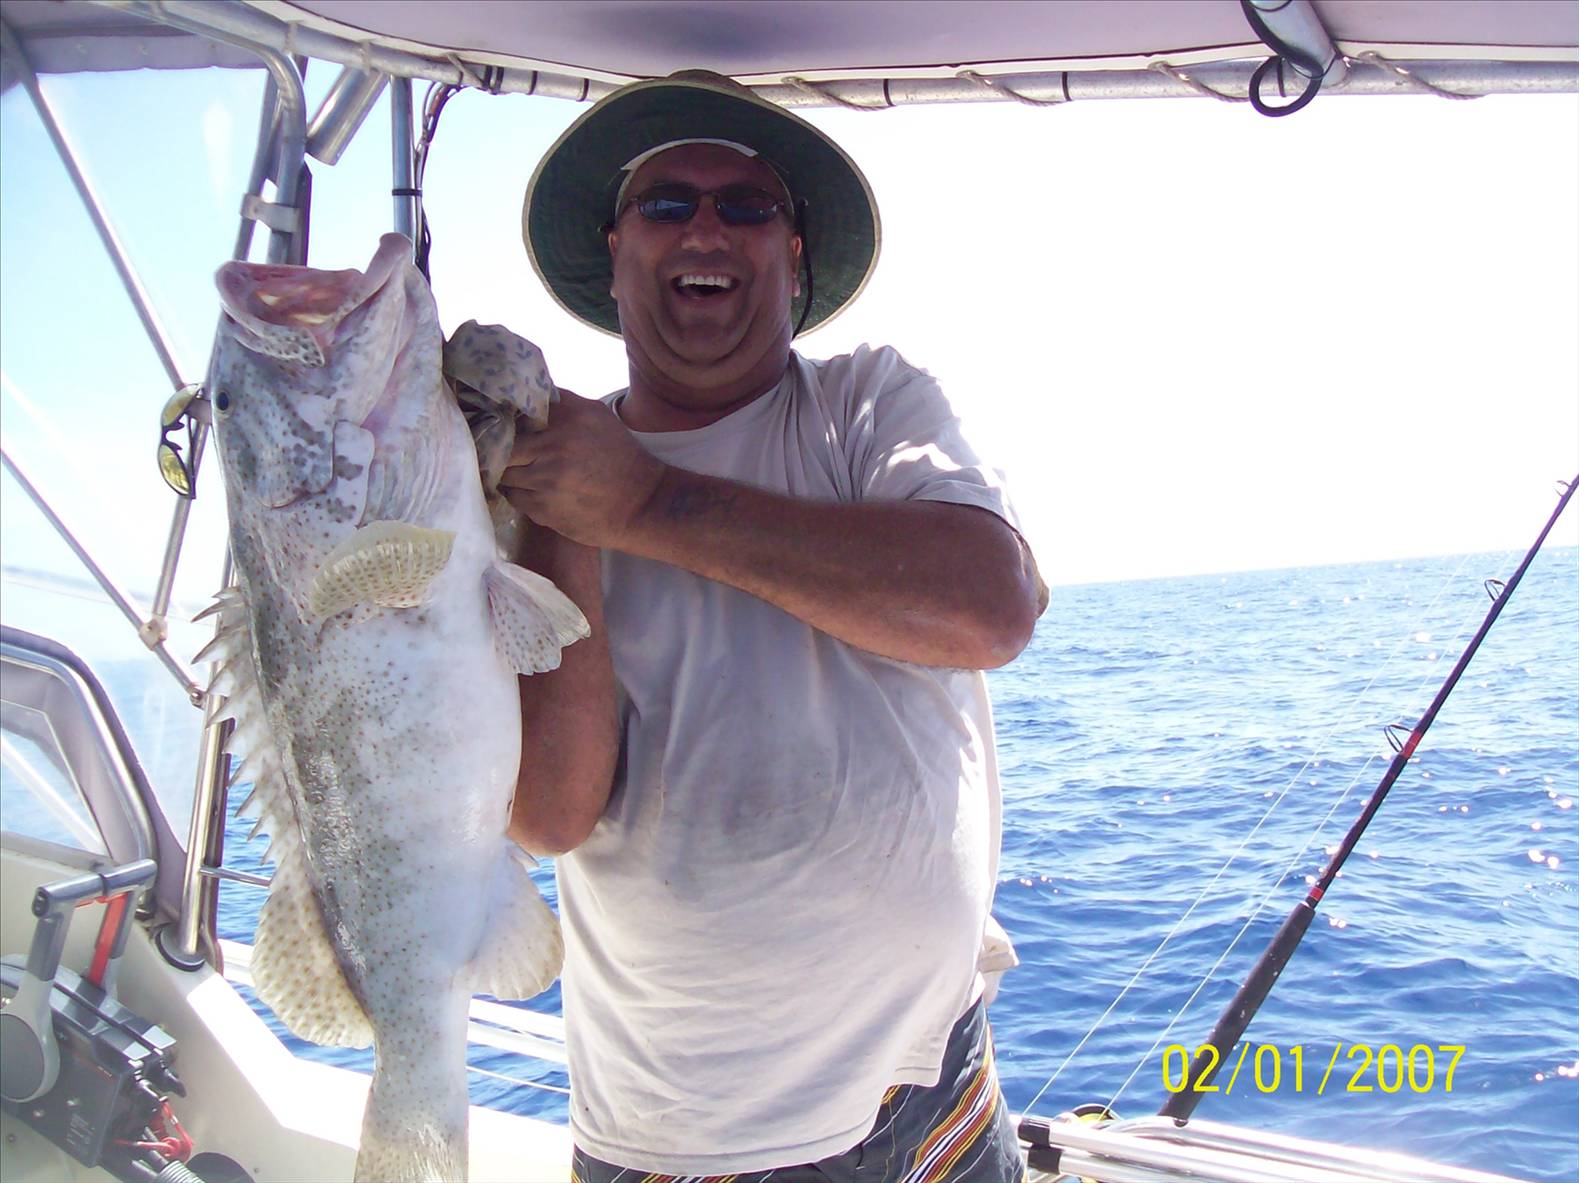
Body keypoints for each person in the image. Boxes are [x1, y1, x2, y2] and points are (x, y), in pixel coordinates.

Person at [500, 70, 1045, 1182]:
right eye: (667, 203)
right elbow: (548, 814)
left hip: (934, 1079)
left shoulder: (868, 403)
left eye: (748, 207)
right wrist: (571, 512)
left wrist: (649, 505)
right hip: (685, 1138)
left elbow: (990, 605)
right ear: (614, 253)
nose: (708, 225)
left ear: (792, 258)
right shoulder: (539, 478)